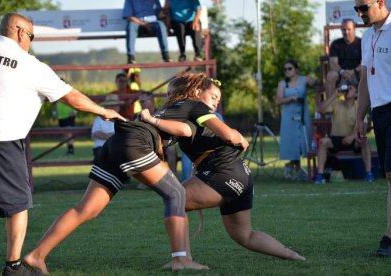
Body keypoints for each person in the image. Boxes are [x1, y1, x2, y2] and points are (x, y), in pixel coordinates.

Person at [0, 12, 123, 276]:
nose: (31, 42)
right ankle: (13, 267)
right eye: (31, 37)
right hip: (1, 137)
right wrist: (102, 111)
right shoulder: (29, 64)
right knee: (17, 205)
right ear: (21, 32)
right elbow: (72, 98)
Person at [140, 73, 306, 263]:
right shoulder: (196, 112)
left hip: (223, 172)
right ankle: (294, 256)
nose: (172, 98)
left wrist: (153, 121)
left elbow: (199, 132)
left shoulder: (194, 110)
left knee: (176, 197)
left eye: (217, 98)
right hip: (240, 173)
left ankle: (183, 260)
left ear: (193, 92)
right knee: (244, 235)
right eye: (214, 97)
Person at [23, 107, 208, 272]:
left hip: (115, 143)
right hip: (133, 144)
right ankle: (180, 259)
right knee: (176, 193)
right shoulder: (196, 106)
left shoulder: (169, 107)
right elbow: (184, 130)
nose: (214, 103)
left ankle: (36, 256)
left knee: (87, 209)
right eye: (213, 96)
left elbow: (156, 138)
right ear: (197, 91)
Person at [354, 0, 391, 257]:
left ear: (380, 2)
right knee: (389, 177)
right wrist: (360, 117)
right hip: (379, 113)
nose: (360, 13)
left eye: (364, 7)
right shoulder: (367, 37)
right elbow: (366, 80)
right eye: (357, 9)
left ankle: (389, 237)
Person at [314, 84, 373, 184]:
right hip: (336, 139)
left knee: (364, 142)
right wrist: (334, 95)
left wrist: (352, 136)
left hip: (353, 139)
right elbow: (320, 109)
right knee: (323, 142)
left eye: (350, 88)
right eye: (346, 88)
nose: (347, 90)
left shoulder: (360, 106)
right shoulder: (336, 103)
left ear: (356, 94)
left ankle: (369, 174)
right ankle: (320, 176)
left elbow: (364, 127)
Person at [276, 60, 316, 180]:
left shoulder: (304, 80)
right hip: (289, 117)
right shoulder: (283, 83)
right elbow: (278, 100)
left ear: (296, 69)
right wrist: (291, 98)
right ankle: (294, 167)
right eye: (285, 69)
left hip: (303, 115)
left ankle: (294, 167)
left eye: (290, 68)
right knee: (292, 142)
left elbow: (316, 83)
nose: (287, 71)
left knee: (303, 141)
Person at [325, 19, 362, 98]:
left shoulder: (362, 43)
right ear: (341, 30)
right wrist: (342, 72)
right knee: (331, 75)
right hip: (341, 76)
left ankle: (366, 105)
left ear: (354, 29)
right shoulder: (336, 44)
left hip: (357, 75)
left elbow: (365, 62)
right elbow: (333, 63)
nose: (346, 32)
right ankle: (330, 107)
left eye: (349, 29)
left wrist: (353, 71)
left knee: (364, 72)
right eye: (344, 29)